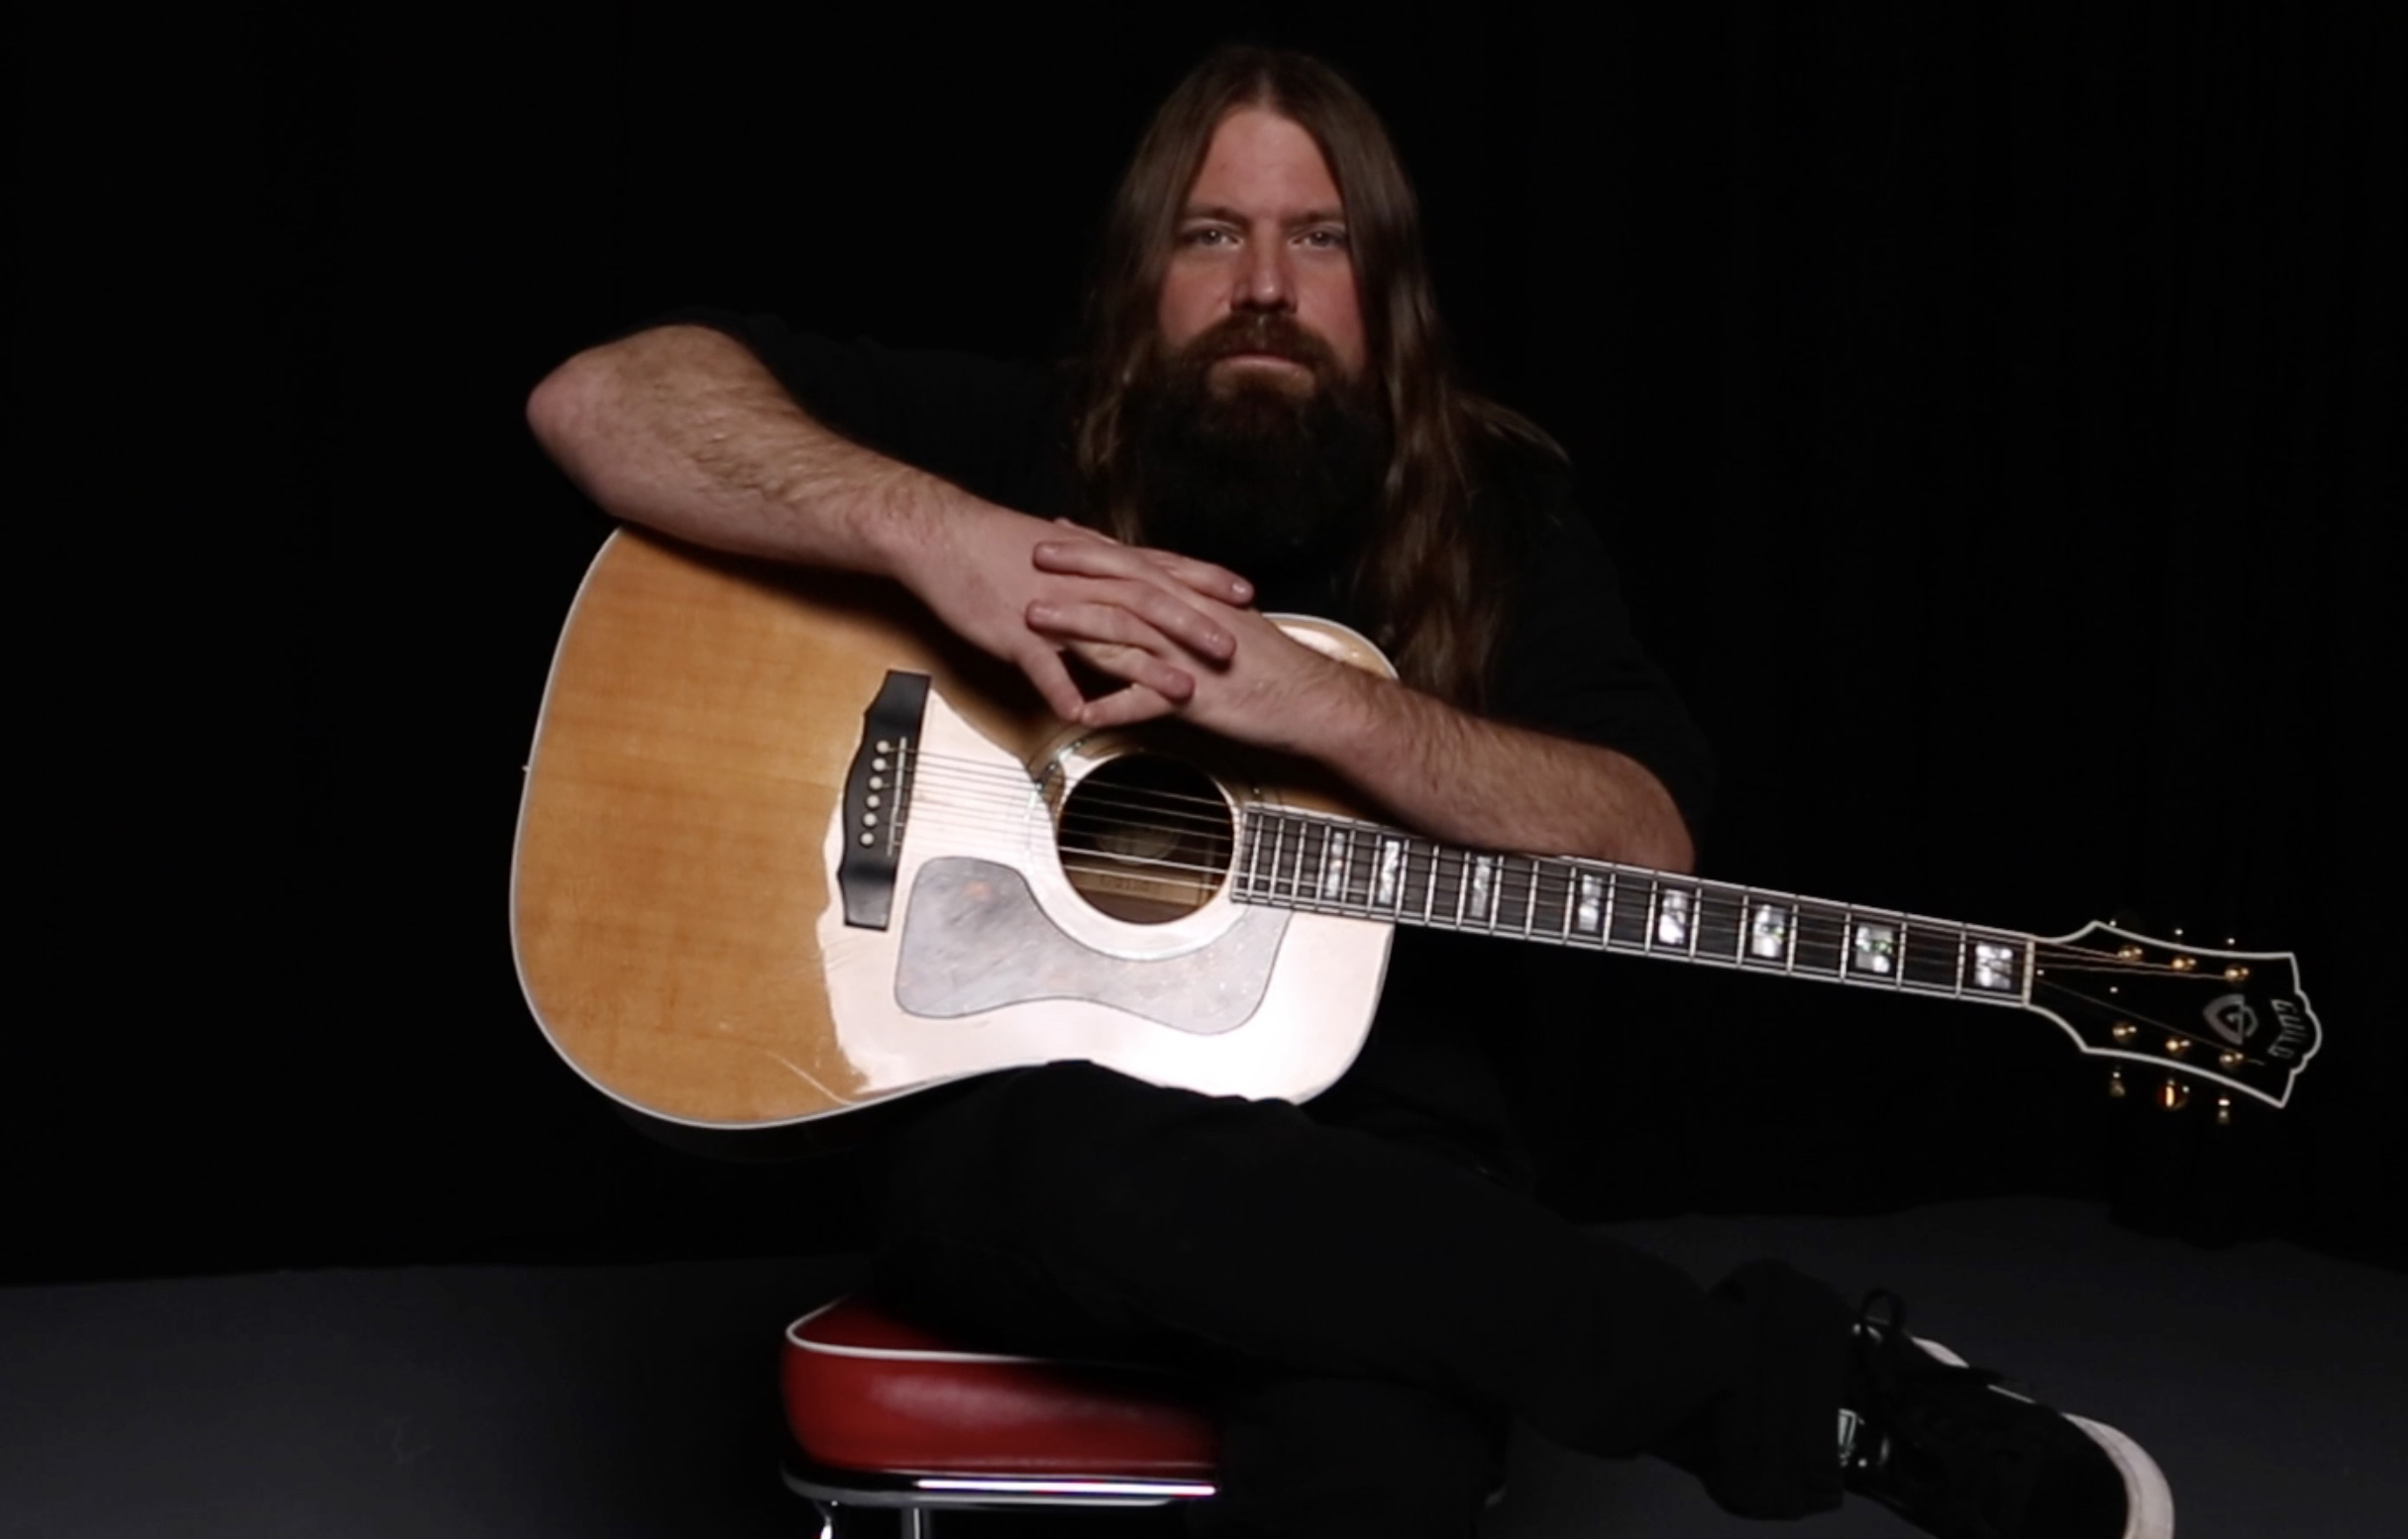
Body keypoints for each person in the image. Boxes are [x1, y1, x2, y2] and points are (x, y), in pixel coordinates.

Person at [527, 45, 2173, 1539]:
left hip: (1397, 1168)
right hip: (1039, 1141)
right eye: (1208, 236)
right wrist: (943, 539)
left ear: (1385, 287)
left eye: (1317, 241)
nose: (1262, 287)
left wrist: (1322, 704)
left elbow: (1643, 837)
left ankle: (1764, 1384)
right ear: (1139, 279)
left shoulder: (1499, 515)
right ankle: (1803, 1392)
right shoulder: (1016, 442)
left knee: (1379, 1451)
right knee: (1076, 1159)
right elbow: (601, 397)